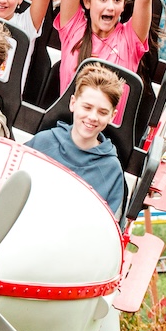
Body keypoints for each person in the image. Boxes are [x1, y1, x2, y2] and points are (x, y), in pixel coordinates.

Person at [26, 63, 127, 217]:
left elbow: (103, 227)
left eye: (102, 112)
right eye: (87, 107)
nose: (93, 117)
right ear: (73, 103)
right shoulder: (43, 142)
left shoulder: (111, 170)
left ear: (112, 116)